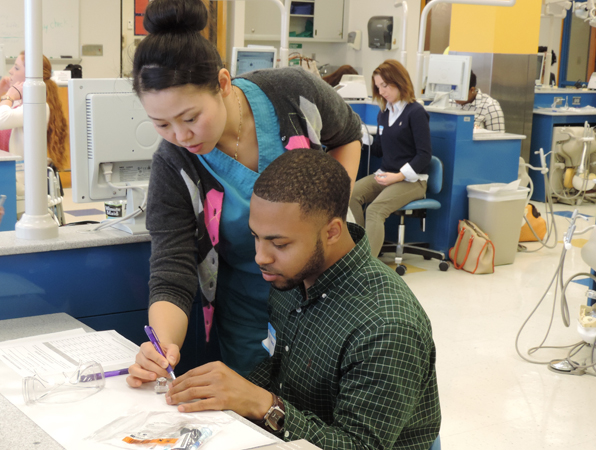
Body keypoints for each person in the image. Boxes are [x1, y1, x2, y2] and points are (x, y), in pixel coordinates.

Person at [126, 0, 362, 383]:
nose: (181, 136)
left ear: (222, 83)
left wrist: (330, 205)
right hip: (248, 311)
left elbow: (348, 134)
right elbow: (172, 267)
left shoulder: (291, 93)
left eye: (190, 118)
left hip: (330, 294)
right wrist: (162, 346)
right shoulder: (174, 163)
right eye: (161, 124)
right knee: (259, 417)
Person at [160, 149, 441, 450]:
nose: (260, 257)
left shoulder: (386, 327)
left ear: (332, 231)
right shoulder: (294, 277)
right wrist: (225, 391)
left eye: (279, 243)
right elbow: (278, 368)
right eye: (256, 236)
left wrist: (266, 406)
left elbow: (360, 446)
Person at [349, 59, 432, 257]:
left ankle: (367, 266)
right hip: (386, 175)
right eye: (378, 87)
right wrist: (362, 137)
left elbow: (424, 155)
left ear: (399, 81)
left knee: (375, 210)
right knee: (349, 196)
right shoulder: (384, 114)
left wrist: (398, 176)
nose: (381, 91)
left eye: (385, 86)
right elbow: (380, 149)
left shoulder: (416, 112)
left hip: (412, 180)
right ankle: (359, 250)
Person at [0, 52, 68, 217]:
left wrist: (7, 96)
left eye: (16, 67)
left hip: (20, 187)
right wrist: (3, 94)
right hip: (8, 179)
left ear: (30, 75)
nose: (10, 72)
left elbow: (1, 119)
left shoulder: (37, 106)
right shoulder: (17, 102)